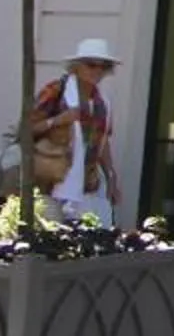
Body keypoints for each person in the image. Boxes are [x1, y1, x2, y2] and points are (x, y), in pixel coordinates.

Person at [31, 37, 122, 227]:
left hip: (87, 184)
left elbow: (103, 143)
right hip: (52, 181)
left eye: (103, 66)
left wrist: (111, 177)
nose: (97, 71)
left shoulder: (102, 102)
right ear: (77, 67)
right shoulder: (56, 91)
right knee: (50, 237)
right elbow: (26, 129)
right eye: (91, 65)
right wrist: (57, 120)